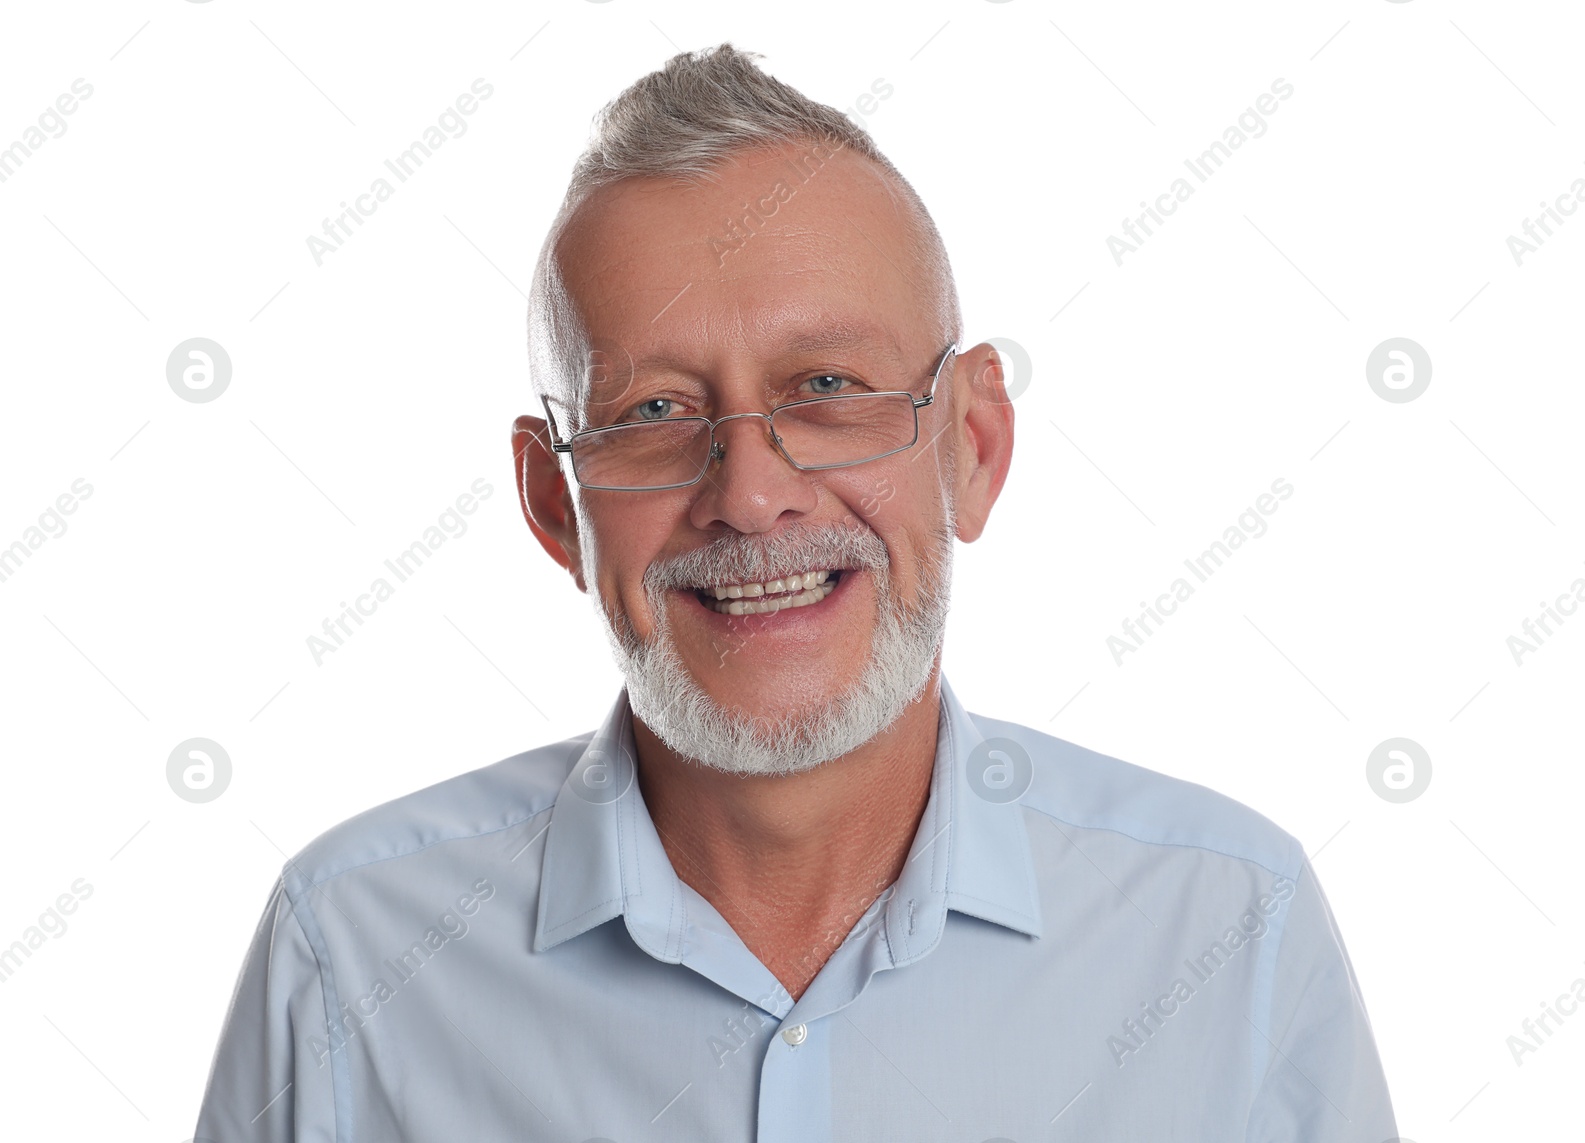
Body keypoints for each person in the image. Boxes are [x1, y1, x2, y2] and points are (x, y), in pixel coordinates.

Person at [196, 43, 1397, 1141]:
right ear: (555, 504)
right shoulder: (352, 958)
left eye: (827, 385)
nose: (752, 495)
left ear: (970, 451)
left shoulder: (1232, 933)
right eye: (653, 413)